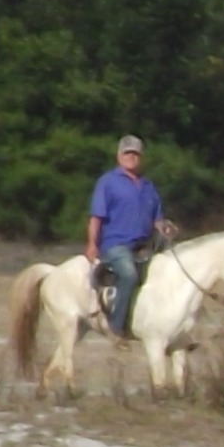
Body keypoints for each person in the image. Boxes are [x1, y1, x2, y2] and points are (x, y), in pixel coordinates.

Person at [86, 136, 164, 336]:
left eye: (136, 154)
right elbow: (96, 217)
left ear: (141, 158)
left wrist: (166, 231)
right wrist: (92, 245)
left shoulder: (149, 187)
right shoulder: (107, 183)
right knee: (129, 275)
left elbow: (158, 220)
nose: (132, 157)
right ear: (119, 155)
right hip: (115, 245)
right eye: (127, 153)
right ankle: (117, 327)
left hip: (143, 245)